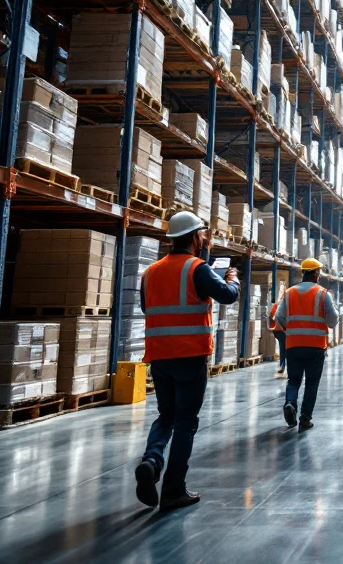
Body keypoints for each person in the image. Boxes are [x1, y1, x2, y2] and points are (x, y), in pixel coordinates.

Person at [135, 211, 240, 510]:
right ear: (195, 237)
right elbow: (227, 296)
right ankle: (173, 489)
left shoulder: (150, 272)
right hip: (190, 357)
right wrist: (232, 278)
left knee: (165, 415)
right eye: (203, 236)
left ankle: (152, 461)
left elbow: (147, 308)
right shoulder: (198, 268)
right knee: (185, 423)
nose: (205, 240)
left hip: (159, 356)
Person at [274, 258, 338, 431]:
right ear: (316, 274)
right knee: (311, 383)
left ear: (303, 273)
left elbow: (279, 317)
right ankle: (305, 419)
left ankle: (290, 403)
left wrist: (292, 330)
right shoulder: (323, 294)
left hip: (293, 345)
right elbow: (332, 321)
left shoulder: (289, 293)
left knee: (293, 380)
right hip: (316, 347)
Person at [268, 284, 287, 379]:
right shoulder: (286, 304)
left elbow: (271, 315)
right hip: (283, 331)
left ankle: (282, 365)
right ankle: (283, 366)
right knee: (286, 349)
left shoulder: (277, 304)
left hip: (278, 331)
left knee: (282, 349)